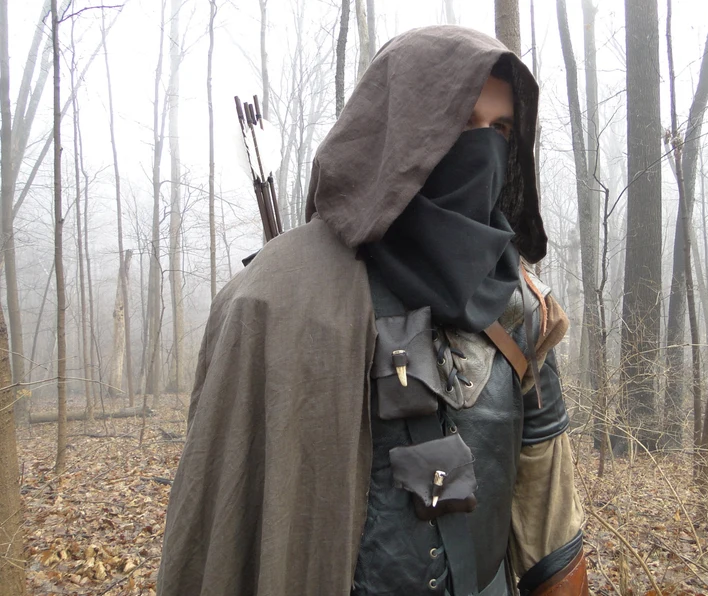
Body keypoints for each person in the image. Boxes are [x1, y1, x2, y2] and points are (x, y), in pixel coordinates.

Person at [157, 25, 586, 596]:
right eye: (462, 122)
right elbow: (223, 518)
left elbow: (550, 530)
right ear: (401, 132)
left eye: (500, 129)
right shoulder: (273, 298)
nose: (483, 149)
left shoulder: (520, 308)